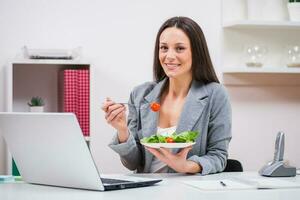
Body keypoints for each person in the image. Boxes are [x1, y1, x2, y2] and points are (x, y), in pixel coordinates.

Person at [101, 16, 231, 175]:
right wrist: (122, 130)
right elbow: (132, 163)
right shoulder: (140, 94)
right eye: (164, 48)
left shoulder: (215, 94)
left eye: (179, 48)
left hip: (189, 189)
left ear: (196, 52)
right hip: (148, 190)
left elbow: (218, 156)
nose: (169, 56)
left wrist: (185, 166)